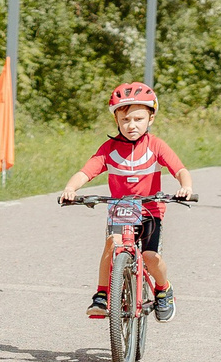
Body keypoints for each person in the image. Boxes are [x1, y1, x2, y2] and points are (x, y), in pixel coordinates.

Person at [58, 82, 195, 322]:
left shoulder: (155, 146)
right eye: (125, 120)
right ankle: (102, 295)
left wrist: (186, 187)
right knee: (113, 245)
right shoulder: (109, 149)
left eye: (138, 119)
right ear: (117, 121)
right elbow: (85, 172)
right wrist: (70, 188)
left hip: (150, 209)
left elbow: (180, 169)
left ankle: (163, 289)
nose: (131, 125)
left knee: (151, 258)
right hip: (121, 209)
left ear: (150, 118)